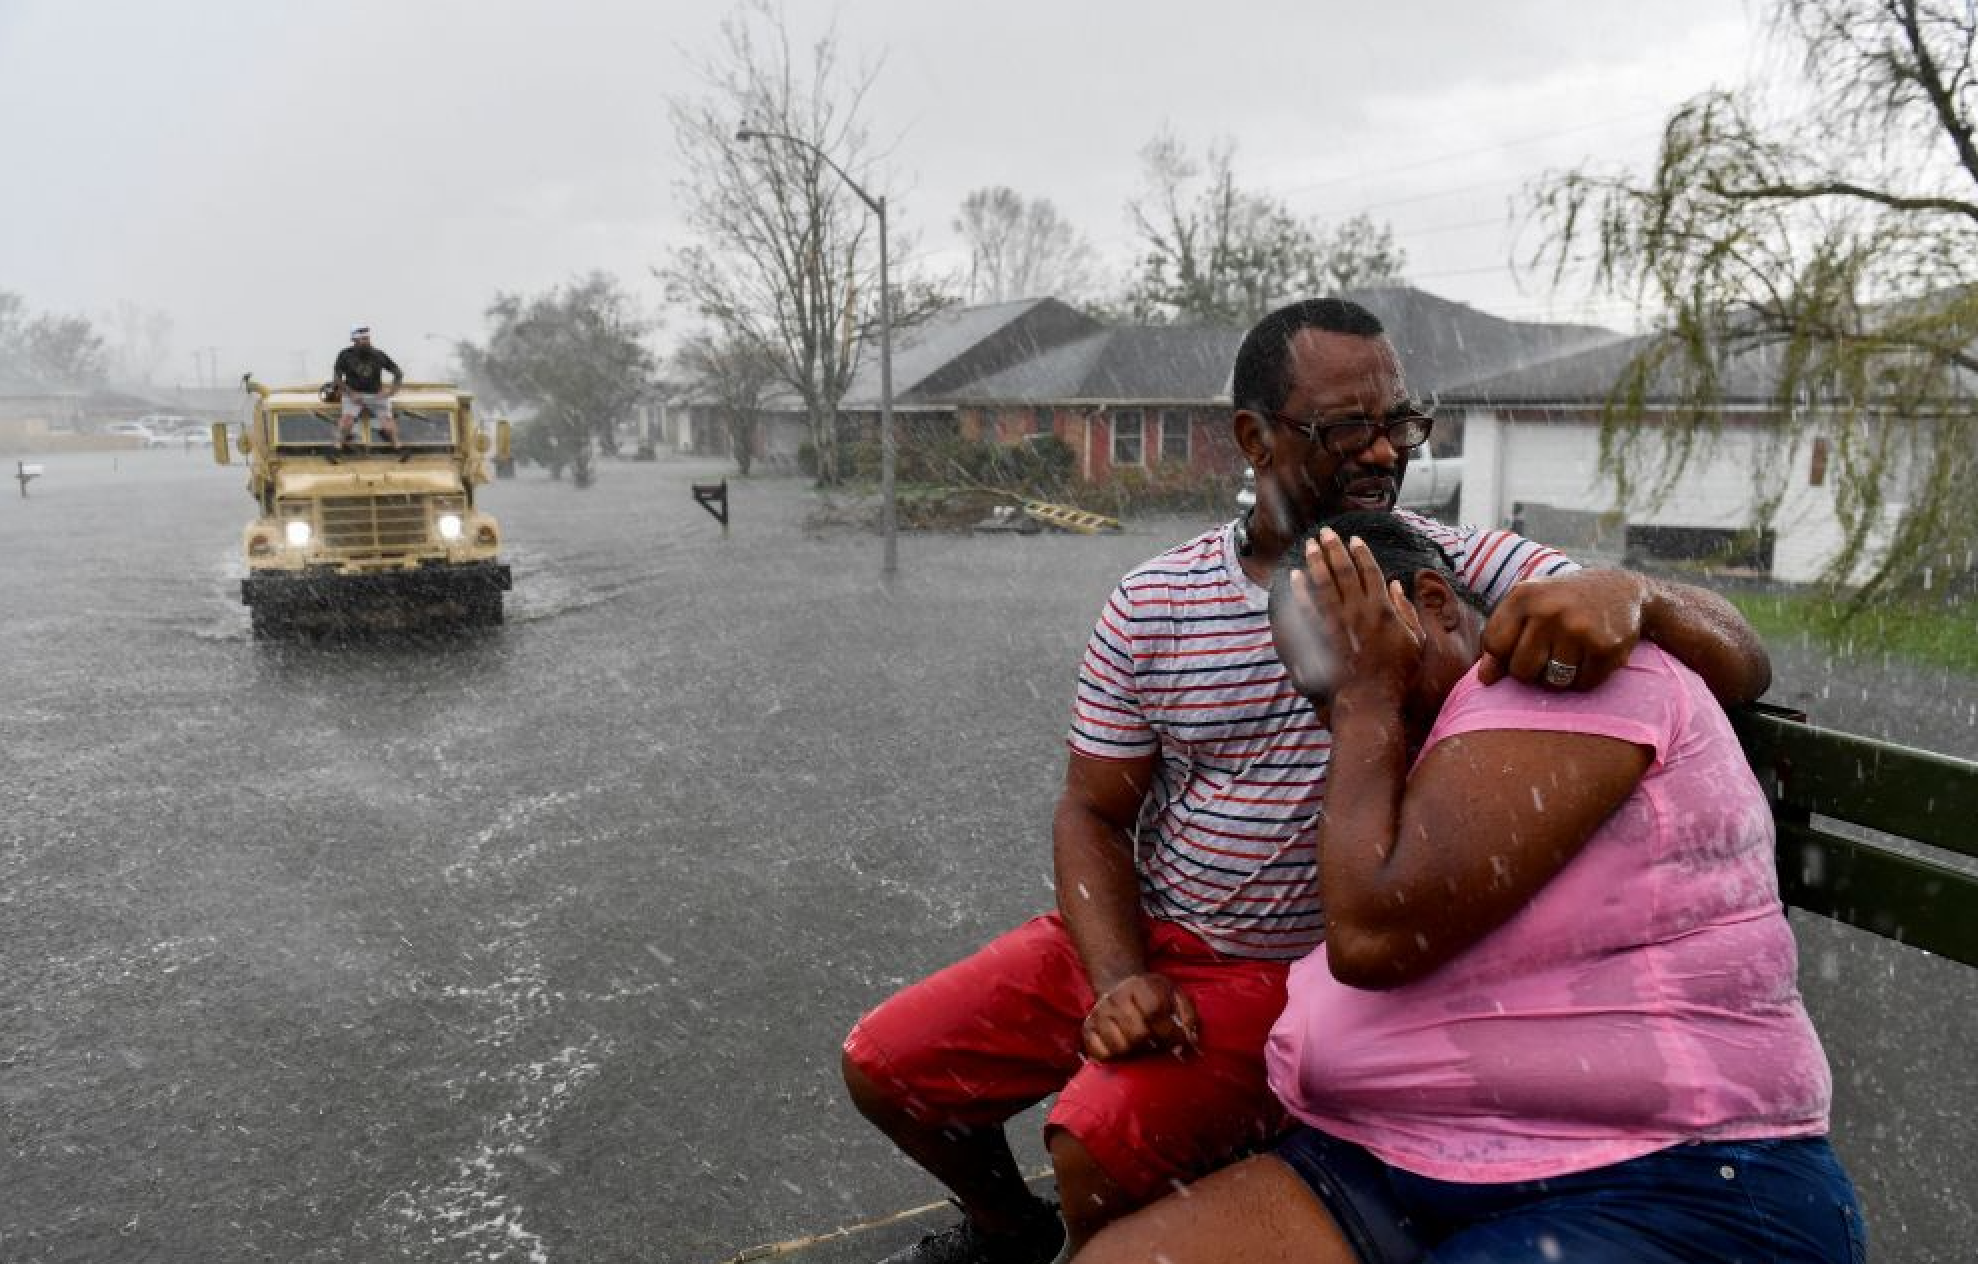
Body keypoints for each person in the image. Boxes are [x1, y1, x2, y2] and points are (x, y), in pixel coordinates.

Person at [840, 298, 1774, 1263]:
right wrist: (1118, 976)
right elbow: (1092, 808)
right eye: (1346, 429)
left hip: (1289, 972)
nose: (1384, 453)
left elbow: (1742, 659)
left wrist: (1636, 590)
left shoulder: (1455, 563)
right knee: (888, 1067)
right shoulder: (1157, 600)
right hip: (1147, 927)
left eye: (1399, 423)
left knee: (1096, 1139)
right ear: (1254, 436)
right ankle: (1007, 1231)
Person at [1080, 512, 1862, 1264]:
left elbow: (1376, 932)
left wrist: (1365, 698)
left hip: (1664, 1173)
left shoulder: (1562, 674)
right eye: (1316, 692)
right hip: (1396, 1157)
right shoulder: (1419, 736)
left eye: (1348, 661)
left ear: (1430, 602)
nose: (1334, 710)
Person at [331, 325, 404, 448]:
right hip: (353, 395)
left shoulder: (379, 355)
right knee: (347, 420)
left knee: (387, 422)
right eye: (363, 339)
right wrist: (350, 393)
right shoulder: (345, 355)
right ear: (354, 340)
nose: (367, 341)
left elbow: (398, 373)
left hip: (376, 395)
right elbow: (337, 379)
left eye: (368, 338)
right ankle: (337, 447)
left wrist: (391, 392)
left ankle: (398, 447)